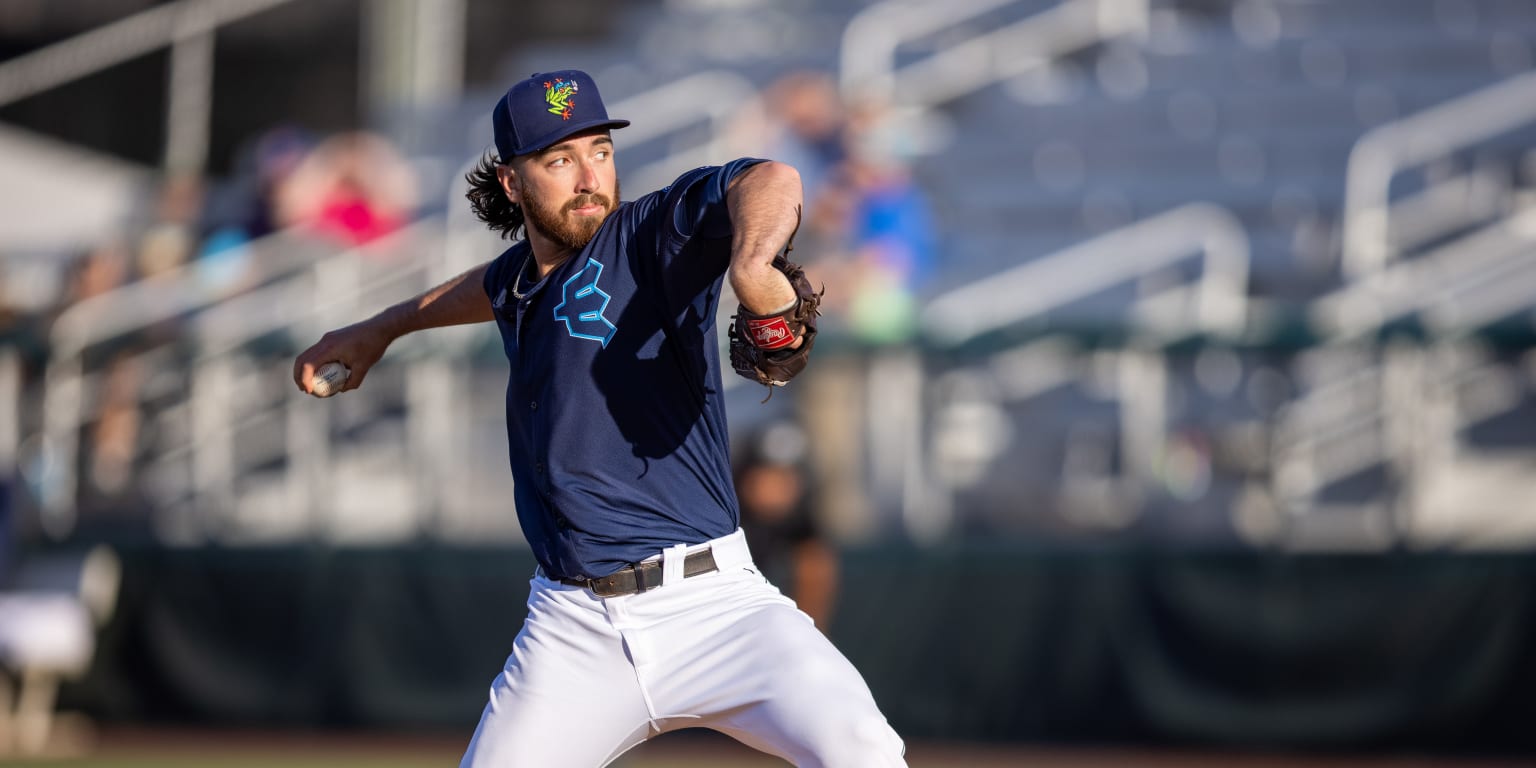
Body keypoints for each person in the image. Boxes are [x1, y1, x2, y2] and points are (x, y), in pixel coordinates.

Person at [292, 69, 905, 767]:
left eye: (601, 151)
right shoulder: (518, 281)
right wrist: (380, 329)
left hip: (716, 607)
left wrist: (752, 261)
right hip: (572, 628)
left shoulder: (650, 237)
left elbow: (770, 177)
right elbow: (486, 288)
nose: (590, 178)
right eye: (560, 159)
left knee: (865, 752)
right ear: (512, 183)